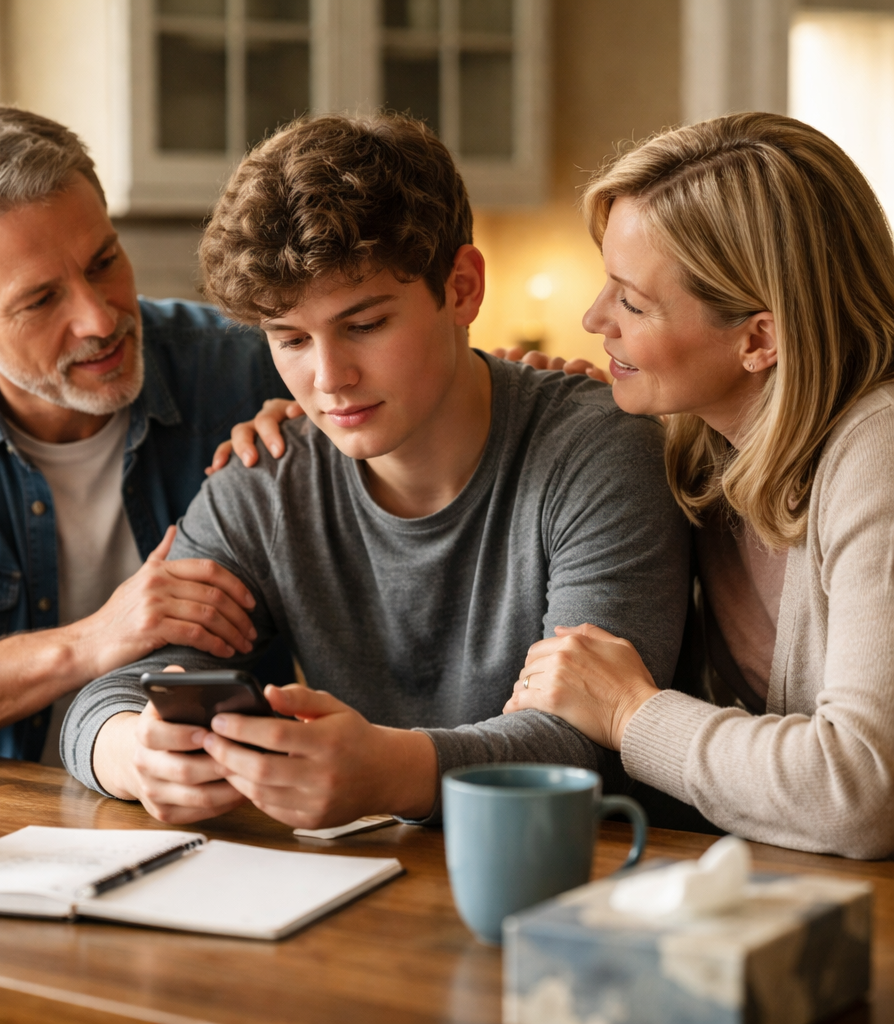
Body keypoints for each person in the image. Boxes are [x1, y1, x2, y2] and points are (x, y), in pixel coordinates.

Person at [60, 112, 690, 829]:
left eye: (364, 325)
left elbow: (592, 739)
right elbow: (106, 701)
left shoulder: (599, 451)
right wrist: (137, 756)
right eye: (290, 338)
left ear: (462, 288)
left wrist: (391, 773)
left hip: (590, 884)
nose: (329, 378)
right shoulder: (264, 478)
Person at [501, 112, 894, 859]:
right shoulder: (702, 440)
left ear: (759, 339)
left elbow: (860, 793)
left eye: (632, 302)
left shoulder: (881, 449)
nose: (592, 320)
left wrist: (629, 714)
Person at [0, 106, 291, 764]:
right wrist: (95, 641)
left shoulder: (246, 366)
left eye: (103, 262)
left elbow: (445, 413)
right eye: (40, 300)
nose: (100, 318)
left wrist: (334, 426)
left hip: (226, 806)